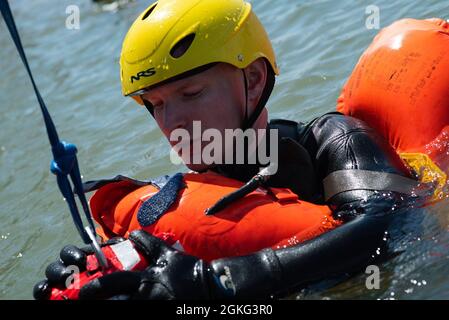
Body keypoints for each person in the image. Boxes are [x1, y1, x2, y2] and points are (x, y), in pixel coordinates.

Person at [34, 0, 420, 300]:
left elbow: (389, 228)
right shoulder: (178, 200)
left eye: (191, 93)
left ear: (253, 79)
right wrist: (103, 274)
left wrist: (217, 283)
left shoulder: (336, 140)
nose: (171, 122)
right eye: (155, 104)